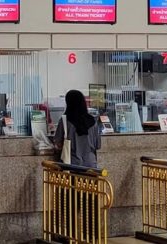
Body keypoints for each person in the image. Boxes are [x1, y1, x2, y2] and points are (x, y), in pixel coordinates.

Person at [53, 90, 102, 242]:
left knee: (70, 202)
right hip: (91, 167)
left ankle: (70, 235)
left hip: (72, 166)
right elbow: (97, 145)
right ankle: (92, 235)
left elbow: (58, 143)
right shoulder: (93, 121)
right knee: (90, 202)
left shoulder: (65, 120)